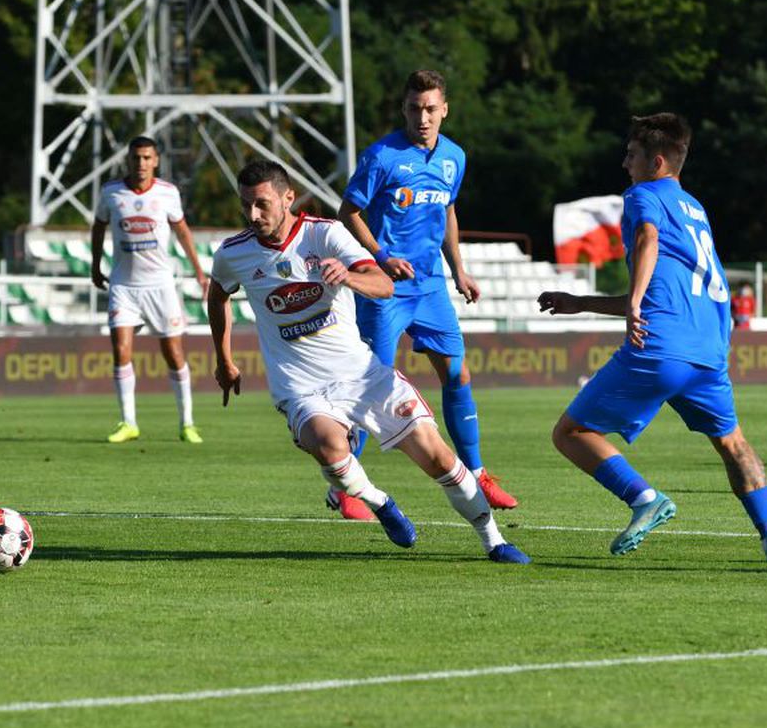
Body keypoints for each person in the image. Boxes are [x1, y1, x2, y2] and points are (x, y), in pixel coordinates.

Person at [208, 160, 530, 564]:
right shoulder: (234, 253)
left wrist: (348, 277)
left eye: (262, 204)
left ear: (288, 198)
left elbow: (382, 284)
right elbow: (217, 294)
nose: (253, 215)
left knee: (438, 456)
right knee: (328, 445)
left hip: (361, 377)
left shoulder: (325, 235)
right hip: (301, 388)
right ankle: (379, 502)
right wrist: (224, 360)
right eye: (246, 206)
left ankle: (493, 540)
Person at [537, 113, 767, 564]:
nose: (625, 163)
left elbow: (646, 239)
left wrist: (636, 300)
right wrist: (580, 301)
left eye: (632, 154)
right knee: (733, 443)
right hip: (708, 353)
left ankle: (643, 498)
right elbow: (666, 289)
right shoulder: (695, 209)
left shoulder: (642, 196)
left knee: (570, 433)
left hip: (661, 347)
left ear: (657, 161)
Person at [336, 69, 518, 521]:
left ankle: (476, 473)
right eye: (415, 108)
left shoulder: (454, 156)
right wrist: (379, 256)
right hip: (386, 289)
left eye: (431, 109)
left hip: (432, 286)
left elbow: (448, 209)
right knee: (367, 387)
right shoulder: (382, 156)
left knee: (457, 374)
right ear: (404, 109)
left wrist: (460, 270)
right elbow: (348, 211)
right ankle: (346, 487)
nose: (423, 117)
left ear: (445, 109)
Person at [92, 136, 208, 444]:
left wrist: (199, 271)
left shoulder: (168, 193)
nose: (141, 163)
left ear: (155, 161)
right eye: (136, 158)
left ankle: (187, 423)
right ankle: (128, 422)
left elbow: (182, 231)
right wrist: (94, 265)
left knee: (173, 353)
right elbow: (98, 225)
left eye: (146, 158)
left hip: (160, 286)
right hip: (124, 286)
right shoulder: (111, 192)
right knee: (120, 351)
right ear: (128, 160)